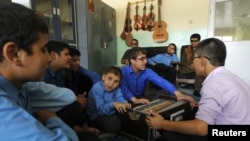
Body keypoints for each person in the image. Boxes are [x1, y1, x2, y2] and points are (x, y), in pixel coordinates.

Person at [145, 38, 250, 141]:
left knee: (168, 135)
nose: (192, 64)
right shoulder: (230, 77)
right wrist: (202, 104)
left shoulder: (213, 83)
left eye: (194, 58)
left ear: (203, 60)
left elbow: (201, 129)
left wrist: (163, 124)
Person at [0, 2, 78, 140]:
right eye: (43, 50)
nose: (48, 58)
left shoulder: (20, 86)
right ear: (14, 54)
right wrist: (52, 119)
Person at [44, 41, 100, 136]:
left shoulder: (60, 72)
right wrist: (74, 99)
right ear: (53, 55)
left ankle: (77, 128)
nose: (69, 58)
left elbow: (60, 92)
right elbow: (46, 98)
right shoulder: (43, 73)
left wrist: (75, 98)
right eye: (66, 54)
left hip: (59, 103)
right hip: (46, 109)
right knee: (75, 107)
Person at [120, 47, 195, 106]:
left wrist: (178, 94)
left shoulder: (147, 71)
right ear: (132, 61)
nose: (145, 61)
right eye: (142, 59)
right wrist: (135, 100)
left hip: (141, 97)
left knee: (162, 93)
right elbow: (124, 88)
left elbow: (161, 81)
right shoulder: (123, 71)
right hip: (124, 100)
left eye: (145, 58)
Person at [86, 66, 131, 134]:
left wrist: (125, 103)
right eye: (109, 79)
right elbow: (101, 110)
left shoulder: (117, 88)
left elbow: (120, 97)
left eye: (116, 81)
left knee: (129, 114)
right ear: (103, 77)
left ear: (119, 83)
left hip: (110, 111)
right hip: (97, 115)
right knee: (115, 126)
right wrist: (114, 104)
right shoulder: (97, 88)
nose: (111, 83)